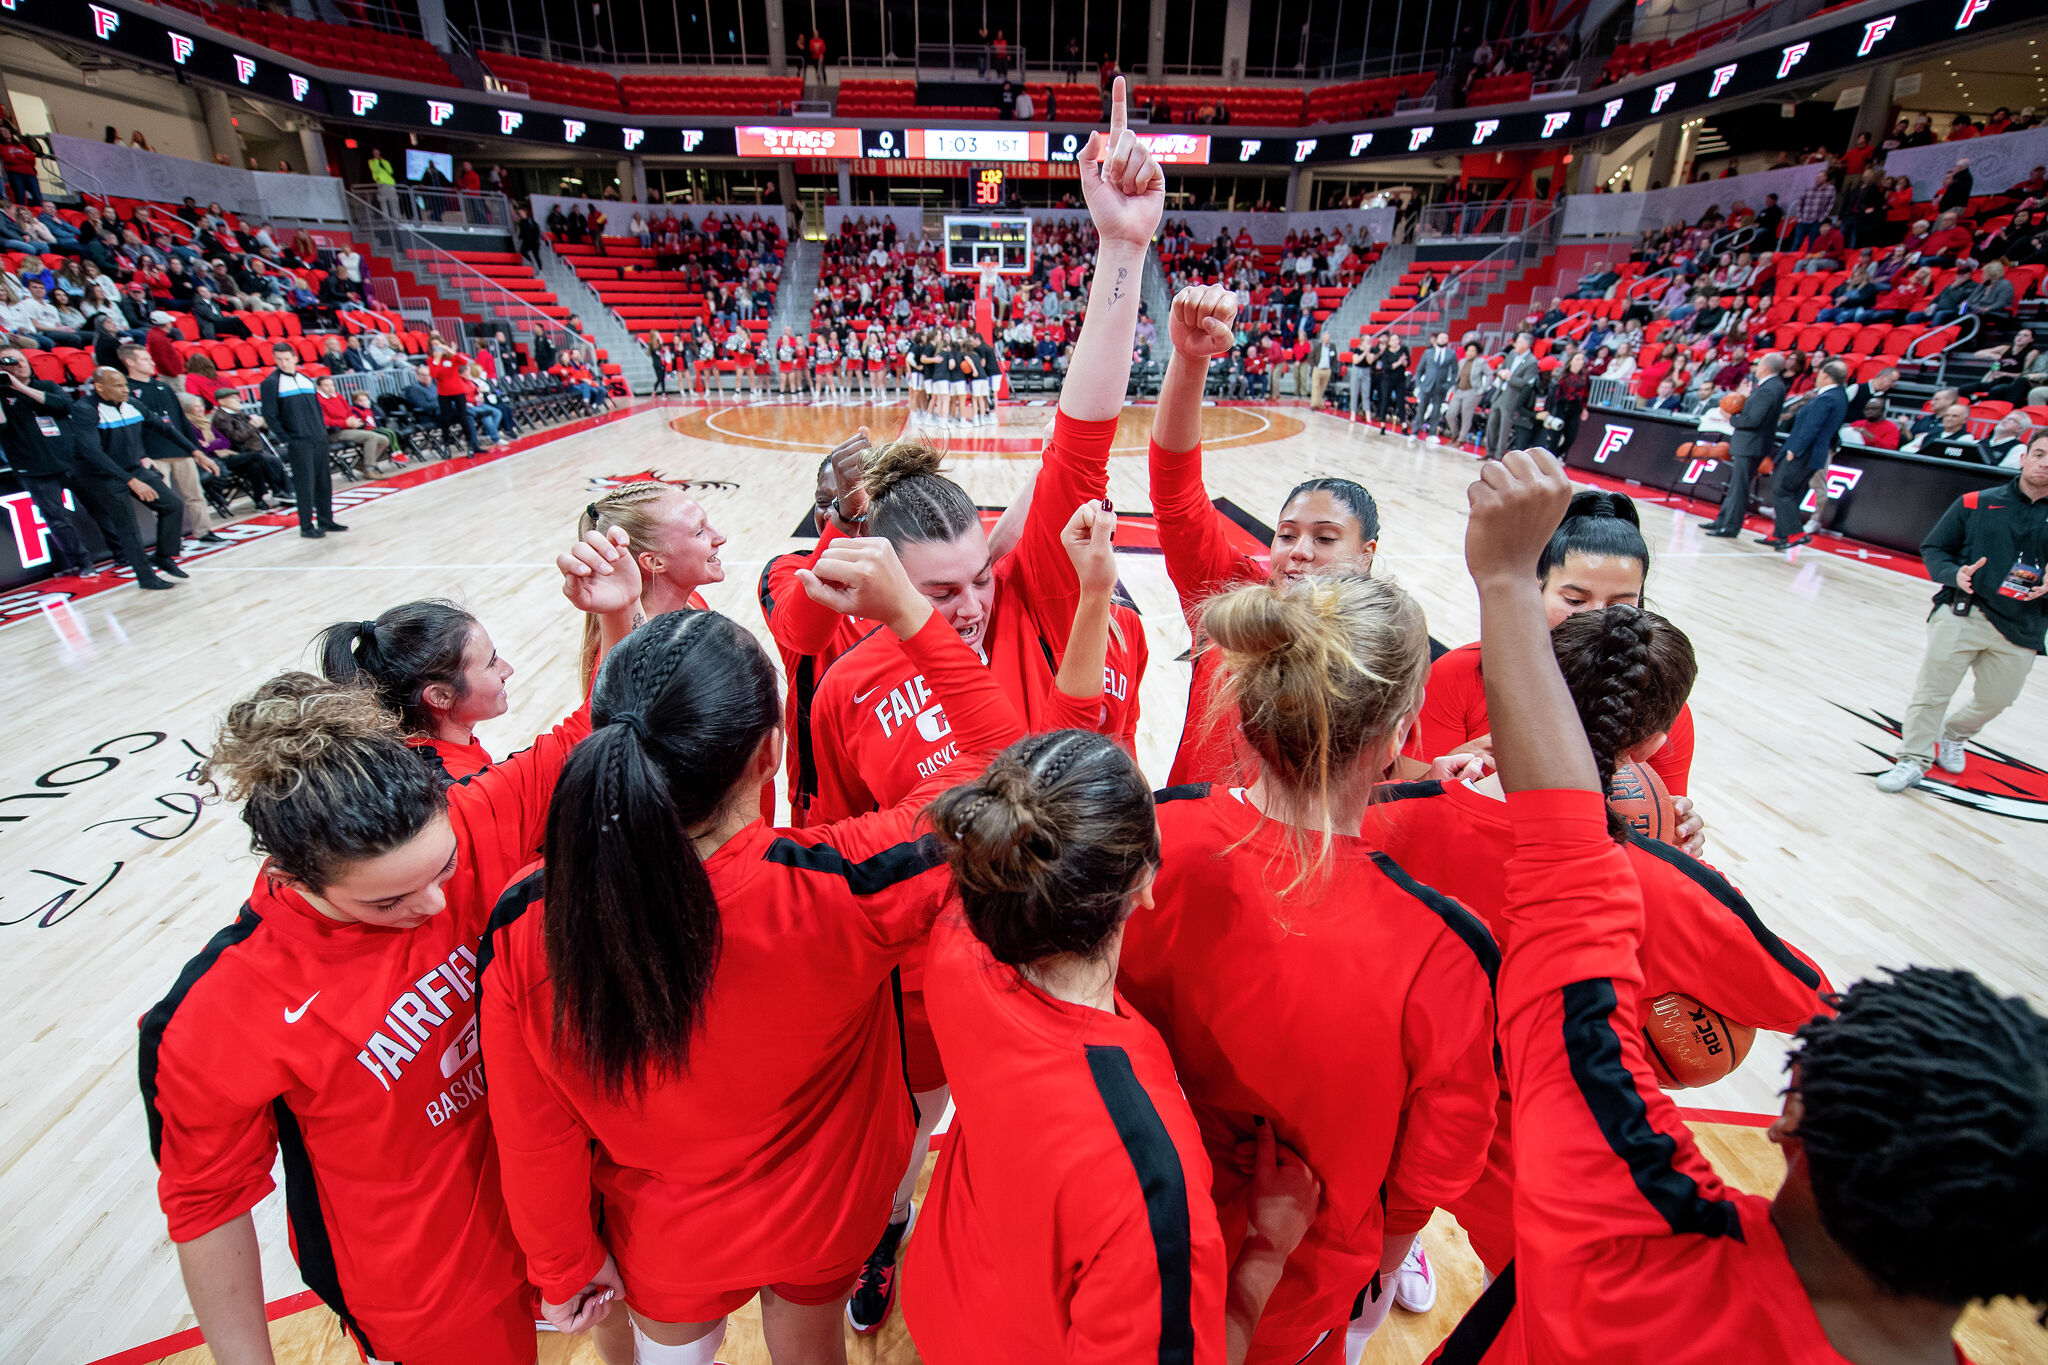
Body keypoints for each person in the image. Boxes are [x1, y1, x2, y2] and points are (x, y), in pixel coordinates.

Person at [1430, 443, 2048, 1365]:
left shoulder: (1622, 1238)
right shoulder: (1470, 693)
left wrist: (1505, 578)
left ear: (1787, 1121)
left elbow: (1574, 861)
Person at [478, 545, 1025, 1365]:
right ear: (769, 755)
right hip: (827, 1206)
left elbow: (532, 1127)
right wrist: (912, 612)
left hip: (668, 1231)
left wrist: (561, 1261)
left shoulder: (529, 920)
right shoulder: (844, 890)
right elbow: (1001, 765)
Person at [140, 530, 639, 1365]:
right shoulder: (219, 1010)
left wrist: (619, 611)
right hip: (424, 1285)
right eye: (389, 899)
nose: (438, 903)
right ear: (294, 873)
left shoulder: (470, 811)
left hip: (550, 1202)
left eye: (442, 868)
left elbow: (595, 728)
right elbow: (208, 1208)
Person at [1369, 605, 1832, 1280]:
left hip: (1379, 1112)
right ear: (1651, 744)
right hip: (1532, 1141)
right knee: (1531, 1309)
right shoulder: (1665, 886)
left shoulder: (1385, 813)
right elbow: (1811, 1001)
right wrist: (1702, 876)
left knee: (1335, 1303)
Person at [1117, 570, 1502, 1363]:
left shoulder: (1146, 841)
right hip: (1300, 1281)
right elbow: (1440, 1158)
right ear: (1400, 733)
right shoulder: (1447, 952)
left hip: (1125, 1241)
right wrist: (1384, 1265)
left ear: (1250, 716)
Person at [907, 721, 1322, 1364]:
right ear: (1144, 883)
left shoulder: (959, 933)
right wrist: (1268, 1245)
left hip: (945, 1291)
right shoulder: (1148, 1177)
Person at [1418, 490, 1705, 830]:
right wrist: (1442, 773)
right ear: (1534, 590)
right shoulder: (1460, 673)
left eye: (1621, 605)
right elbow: (1401, 802)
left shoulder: (1661, 701)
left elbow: (1662, 819)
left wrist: (1677, 836)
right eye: (1575, 600)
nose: (1598, 618)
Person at [1875, 434, 2048, 792]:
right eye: (2039, 454)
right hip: (1963, 612)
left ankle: (1954, 734)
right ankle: (1913, 759)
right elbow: (1935, 547)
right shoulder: (1975, 502)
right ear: (2023, 458)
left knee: (1998, 698)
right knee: (1932, 692)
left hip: (2024, 623)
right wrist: (1954, 574)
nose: (2045, 463)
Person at [319, 601, 514, 786]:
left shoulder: (423, 753)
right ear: (440, 696)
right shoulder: (455, 787)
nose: (508, 670)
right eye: (491, 663)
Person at [0, 345, 94, 578]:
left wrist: (20, 387)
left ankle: (121, 551)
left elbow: (63, 405)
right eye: (10, 361)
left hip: (69, 460)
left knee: (98, 506)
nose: (19, 364)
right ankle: (82, 563)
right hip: (32, 467)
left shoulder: (46, 386)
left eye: (21, 359)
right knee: (57, 520)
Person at [87, 366, 185, 586]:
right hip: (103, 474)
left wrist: (197, 451)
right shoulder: (86, 410)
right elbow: (92, 452)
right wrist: (131, 481)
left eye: (125, 384)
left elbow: (166, 429)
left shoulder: (132, 404)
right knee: (128, 527)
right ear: (100, 387)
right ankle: (146, 578)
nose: (125, 389)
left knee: (172, 505)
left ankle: (162, 555)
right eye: (119, 385)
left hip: (133, 468)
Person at [120, 344, 219, 543]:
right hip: (153, 453)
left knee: (196, 494)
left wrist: (194, 449)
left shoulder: (164, 386)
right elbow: (130, 429)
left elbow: (181, 420)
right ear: (130, 362)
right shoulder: (126, 391)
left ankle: (204, 531)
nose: (152, 362)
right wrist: (141, 454)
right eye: (145, 359)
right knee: (163, 502)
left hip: (180, 449)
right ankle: (170, 539)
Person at [1760, 358, 1850, 549]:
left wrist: (1795, 450)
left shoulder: (1828, 397)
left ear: (1825, 375)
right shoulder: (1839, 396)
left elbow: (1812, 427)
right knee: (1793, 492)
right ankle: (1780, 535)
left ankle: (1795, 533)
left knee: (1782, 490)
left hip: (1803, 452)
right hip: (1814, 453)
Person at [259, 339, 343, 538]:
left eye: (287, 359)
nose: (284, 363)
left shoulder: (306, 379)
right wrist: (287, 438)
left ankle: (326, 519)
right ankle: (306, 526)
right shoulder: (271, 383)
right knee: (305, 484)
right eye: (279, 359)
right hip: (298, 441)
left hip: (318, 438)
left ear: (294, 358)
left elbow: (316, 409)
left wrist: (322, 431)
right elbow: (269, 415)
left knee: (324, 480)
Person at [1705, 352, 1787, 537]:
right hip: (1751, 444)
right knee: (1735, 486)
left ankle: (1730, 526)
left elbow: (1753, 419)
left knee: (1739, 488)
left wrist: (1731, 418)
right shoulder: (1772, 386)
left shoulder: (1769, 388)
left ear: (1765, 367)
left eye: (1759, 365)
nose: (1756, 368)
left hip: (1751, 444)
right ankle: (1722, 521)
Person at [315, 374, 391, 476]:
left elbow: (349, 412)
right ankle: (369, 469)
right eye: (326, 385)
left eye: (332, 385)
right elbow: (324, 421)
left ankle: (361, 464)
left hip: (349, 428)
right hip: (335, 432)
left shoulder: (338, 396)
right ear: (319, 387)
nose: (330, 388)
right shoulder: (317, 400)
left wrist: (354, 421)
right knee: (371, 437)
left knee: (384, 440)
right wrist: (345, 423)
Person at [1487, 334, 1539, 460]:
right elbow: (1502, 368)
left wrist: (1510, 377)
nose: (1515, 344)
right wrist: (1500, 372)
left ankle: (1499, 455)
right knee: (1491, 423)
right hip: (1500, 393)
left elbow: (1526, 383)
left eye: (1518, 342)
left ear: (1526, 345)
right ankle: (1489, 452)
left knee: (1504, 426)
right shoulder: (1511, 354)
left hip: (1512, 397)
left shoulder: (1532, 362)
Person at [1413, 330, 1456, 438]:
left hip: (1440, 387)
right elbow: (1419, 370)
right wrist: (1419, 384)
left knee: (1436, 411)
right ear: (1436, 340)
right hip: (1426, 385)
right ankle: (1415, 431)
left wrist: (1449, 385)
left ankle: (1432, 434)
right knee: (1421, 409)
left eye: (1445, 338)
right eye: (1441, 338)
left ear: (1448, 340)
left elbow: (1455, 371)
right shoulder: (1428, 352)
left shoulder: (1451, 354)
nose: (1442, 340)